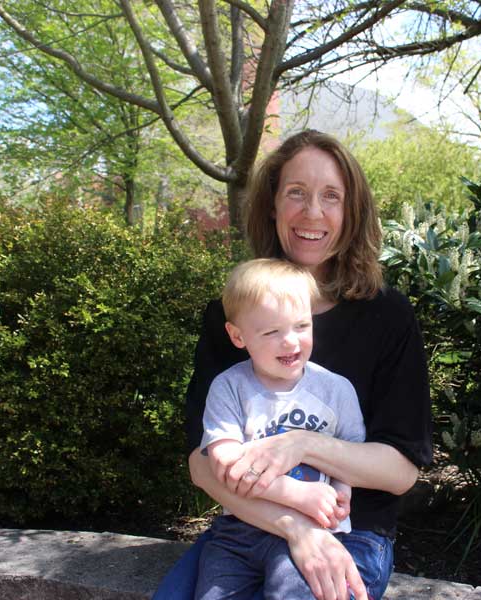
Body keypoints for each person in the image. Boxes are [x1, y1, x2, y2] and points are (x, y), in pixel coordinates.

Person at [154, 130, 432, 600]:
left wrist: (298, 445)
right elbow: (203, 465)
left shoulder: (387, 316)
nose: (313, 212)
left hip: (350, 532)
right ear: (271, 205)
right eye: (296, 193)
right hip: (246, 525)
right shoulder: (232, 314)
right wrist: (294, 527)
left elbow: (400, 471)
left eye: (331, 197)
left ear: (352, 213)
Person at [195, 258, 366, 599]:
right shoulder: (229, 388)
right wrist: (295, 494)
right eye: (272, 332)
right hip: (240, 530)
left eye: (301, 326)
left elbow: (351, 452)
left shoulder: (336, 390)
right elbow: (225, 464)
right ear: (237, 335)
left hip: (318, 531)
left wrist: (342, 491)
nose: (290, 342)